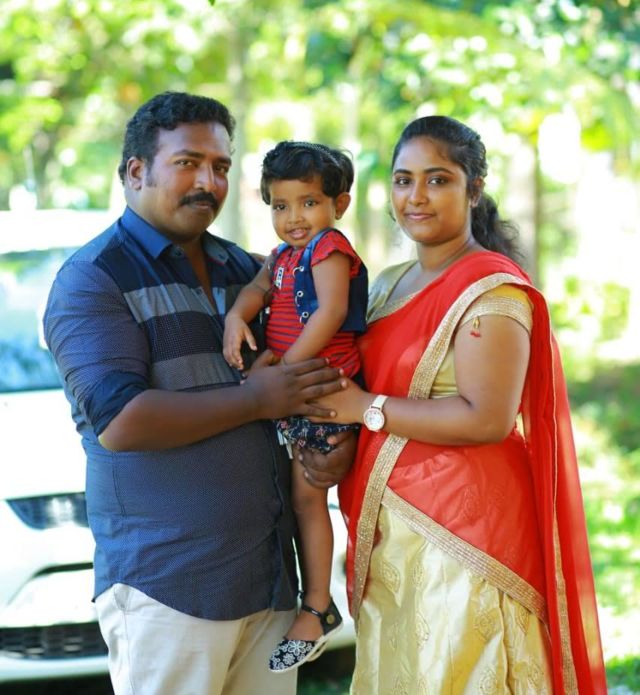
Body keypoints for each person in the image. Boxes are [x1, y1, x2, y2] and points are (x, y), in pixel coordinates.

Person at [43, 92, 353, 695]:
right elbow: (122, 421)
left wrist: (327, 449)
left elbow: (305, 379)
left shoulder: (248, 270)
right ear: (136, 171)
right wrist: (258, 399)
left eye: (220, 166)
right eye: (187, 163)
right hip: (169, 589)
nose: (208, 182)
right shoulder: (93, 280)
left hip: (268, 582)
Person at [314, 115, 607, 694]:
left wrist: (366, 407)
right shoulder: (387, 284)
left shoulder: (493, 289)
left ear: (474, 190)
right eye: (403, 180)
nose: (416, 196)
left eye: (438, 179)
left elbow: (487, 417)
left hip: (467, 538)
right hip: (392, 530)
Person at [222, 141, 367, 673]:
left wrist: (283, 370)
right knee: (299, 499)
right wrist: (236, 317)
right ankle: (313, 603)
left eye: (308, 203)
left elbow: (330, 313)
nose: (294, 218)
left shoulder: (329, 249)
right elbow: (257, 288)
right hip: (295, 391)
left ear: (338, 205)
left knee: (309, 500)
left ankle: (318, 608)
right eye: (281, 206)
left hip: (323, 392)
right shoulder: (283, 257)